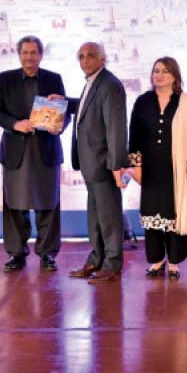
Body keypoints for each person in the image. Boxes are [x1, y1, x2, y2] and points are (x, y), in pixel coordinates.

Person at [0, 36, 67, 273]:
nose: (29, 57)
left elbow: (64, 114)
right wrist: (15, 124)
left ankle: (47, 255)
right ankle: (16, 253)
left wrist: (60, 126)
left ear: (41, 55)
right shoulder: (6, 79)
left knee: (49, 204)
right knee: (14, 205)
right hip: (16, 151)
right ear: (19, 54)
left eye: (34, 52)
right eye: (25, 52)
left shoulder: (54, 79)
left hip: (46, 149)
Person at [126, 57, 187, 280]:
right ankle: (157, 260)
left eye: (165, 72)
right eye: (156, 71)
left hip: (177, 168)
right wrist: (136, 166)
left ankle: (174, 262)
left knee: (174, 212)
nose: (159, 75)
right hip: (150, 168)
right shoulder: (142, 101)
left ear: (175, 77)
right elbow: (135, 137)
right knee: (153, 215)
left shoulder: (186, 102)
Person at [66, 42, 129, 284]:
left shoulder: (110, 85)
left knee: (109, 216)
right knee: (95, 215)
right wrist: (65, 101)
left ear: (103, 59)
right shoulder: (94, 82)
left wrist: (116, 165)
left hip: (104, 164)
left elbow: (116, 128)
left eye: (90, 56)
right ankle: (96, 259)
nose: (85, 60)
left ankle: (112, 264)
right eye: (80, 56)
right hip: (90, 163)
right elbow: (86, 109)